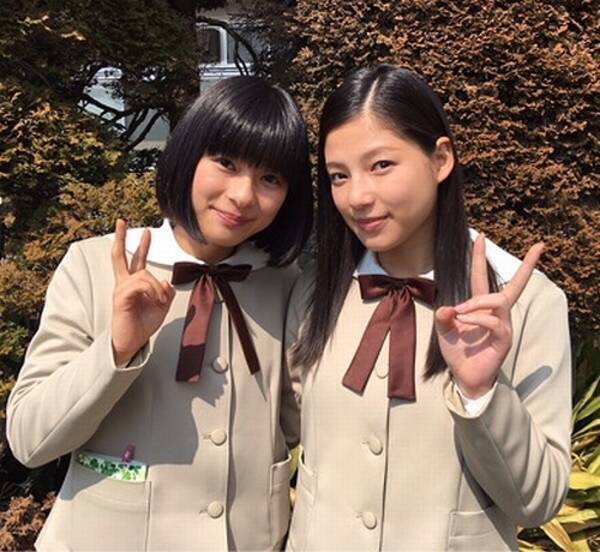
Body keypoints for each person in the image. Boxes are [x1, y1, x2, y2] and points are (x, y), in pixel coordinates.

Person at [7, 75, 313, 551]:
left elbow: (300, 422)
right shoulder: (93, 265)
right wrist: (117, 348)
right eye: (226, 162)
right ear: (188, 155)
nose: (243, 195)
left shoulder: (287, 283)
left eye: (270, 178)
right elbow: (30, 439)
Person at [283, 65, 571, 551]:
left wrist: (481, 393)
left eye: (381, 165)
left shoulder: (527, 305)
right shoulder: (315, 292)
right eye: (339, 176)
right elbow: (274, 431)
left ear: (440, 160)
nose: (357, 197)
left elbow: (537, 503)